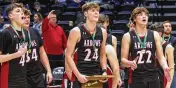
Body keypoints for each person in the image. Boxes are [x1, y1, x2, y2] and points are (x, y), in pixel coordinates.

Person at [121, 7, 171, 88]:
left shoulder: (154, 34)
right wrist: (129, 63)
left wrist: (165, 67)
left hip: (153, 75)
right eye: (140, 15)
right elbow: (123, 60)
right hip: (136, 76)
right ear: (134, 19)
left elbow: (160, 56)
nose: (144, 16)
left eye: (146, 15)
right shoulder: (127, 36)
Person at [65, 2, 107, 88]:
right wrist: (77, 75)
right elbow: (68, 55)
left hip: (96, 74)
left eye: (97, 11)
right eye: (93, 10)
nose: (96, 13)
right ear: (85, 14)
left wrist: (104, 71)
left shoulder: (103, 32)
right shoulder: (76, 31)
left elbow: (102, 54)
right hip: (81, 73)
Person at [22, 8, 53, 88]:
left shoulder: (34, 31)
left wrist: (49, 71)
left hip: (37, 74)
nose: (27, 20)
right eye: (24, 18)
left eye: (28, 17)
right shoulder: (13, 34)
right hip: (22, 75)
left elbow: (42, 52)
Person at [0, 3, 28, 88]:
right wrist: (17, 54)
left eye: (22, 11)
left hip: (23, 79)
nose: (22, 13)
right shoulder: (6, 33)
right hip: (9, 80)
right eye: (18, 11)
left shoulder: (25, 33)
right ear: (11, 16)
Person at [98, 14, 122, 88]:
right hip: (94, 67)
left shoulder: (112, 39)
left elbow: (115, 60)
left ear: (107, 23)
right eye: (98, 23)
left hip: (108, 70)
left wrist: (118, 77)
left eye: (102, 23)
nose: (100, 25)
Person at [151, 23, 174, 88]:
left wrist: (168, 85)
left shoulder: (168, 47)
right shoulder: (151, 46)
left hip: (163, 80)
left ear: (160, 33)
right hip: (152, 80)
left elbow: (171, 68)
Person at [162, 21, 176, 88]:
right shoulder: (158, 39)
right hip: (160, 69)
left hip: (171, 68)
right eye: (166, 26)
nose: (168, 28)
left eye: (170, 26)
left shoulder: (174, 40)